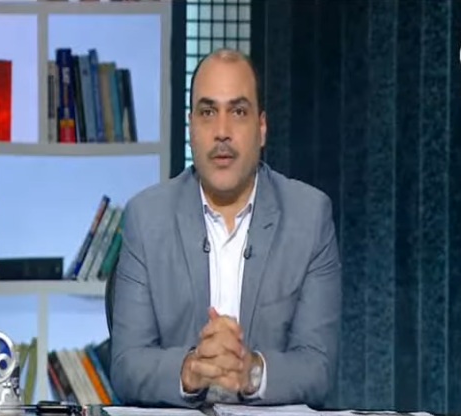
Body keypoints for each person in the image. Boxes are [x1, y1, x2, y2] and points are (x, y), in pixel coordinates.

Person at [109, 48, 342, 410]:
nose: (222, 132)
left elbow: (318, 367)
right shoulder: (146, 217)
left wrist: (252, 372)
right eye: (207, 112)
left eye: (238, 111)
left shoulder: (309, 217)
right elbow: (126, 365)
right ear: (191, 128)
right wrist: (191, 369)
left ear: (261, 128)